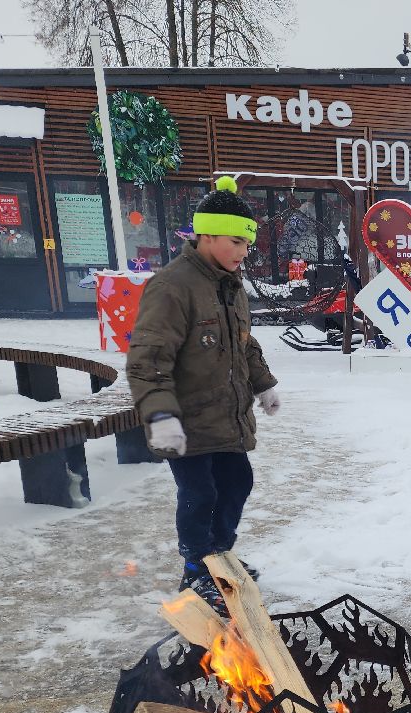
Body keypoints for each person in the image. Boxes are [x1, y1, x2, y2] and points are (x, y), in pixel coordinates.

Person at [125, 176, 282, 613]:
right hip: (187, 420)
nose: (244, 253)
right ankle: (197, 568)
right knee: (200, 495)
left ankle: (219, 556)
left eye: (247, 245)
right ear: (207, 234)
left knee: (237, 483)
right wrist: (160, 416)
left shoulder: (229, 285)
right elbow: (148, 359)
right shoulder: (173, 287)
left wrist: (263, 382)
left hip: (225, 418)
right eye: (236, 242)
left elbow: (243, 342)